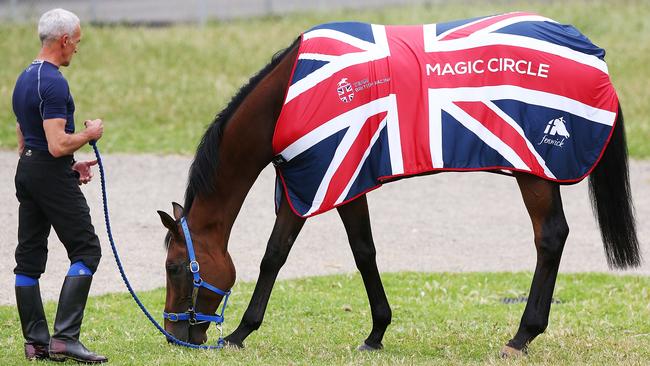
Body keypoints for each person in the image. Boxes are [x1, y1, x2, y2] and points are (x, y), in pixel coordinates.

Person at [12, 8, 108, 363]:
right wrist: (88, 134)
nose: (77, 49)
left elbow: (26, 138)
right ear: (64, 40)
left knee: (29, 258)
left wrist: (70, 163)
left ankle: (36, 342)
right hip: (48, 173)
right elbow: (55, 143)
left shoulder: (24, 77)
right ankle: (65, 339)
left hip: (29, 170)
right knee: (86, 250)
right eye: (77, 42)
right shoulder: (53, 82)